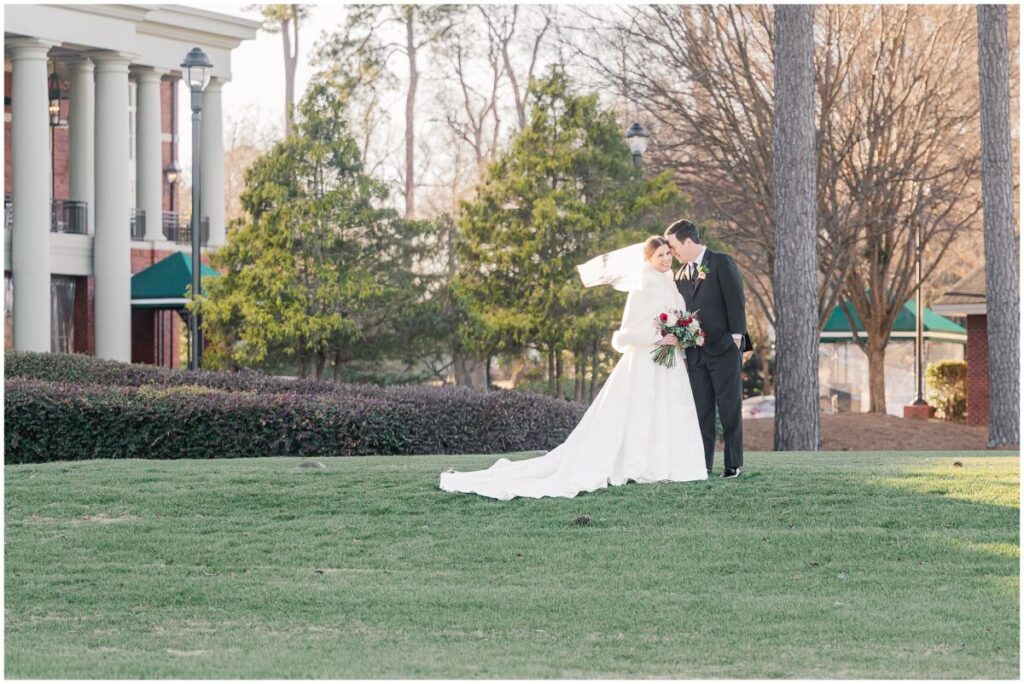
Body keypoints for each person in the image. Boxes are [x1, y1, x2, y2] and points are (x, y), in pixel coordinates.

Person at [439, 236, 707, 500]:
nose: (665, 259)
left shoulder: (671, 283)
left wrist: (683, 335)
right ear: (648, 259)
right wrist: (658, 338)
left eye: (667, 254)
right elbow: (624, 336)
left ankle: (666, 465)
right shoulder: (642, 286)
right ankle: (638, 465)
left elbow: (678, 318)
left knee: (666, 412)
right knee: (641, 414)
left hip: (669, 364)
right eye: (659, 255)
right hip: (645, 363)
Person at [664, 219, 751, 478]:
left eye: (673, 246)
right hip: (696, 353)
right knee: (701, 411)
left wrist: (736, 338)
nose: (672, 252)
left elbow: (736, 299)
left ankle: (733, 464)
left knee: (729, 408)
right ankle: (702, 465)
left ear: (688, 241)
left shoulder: (720, 262)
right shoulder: (679, 275)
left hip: (724, 348)